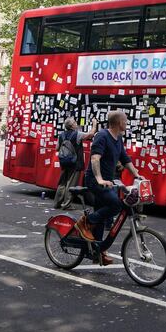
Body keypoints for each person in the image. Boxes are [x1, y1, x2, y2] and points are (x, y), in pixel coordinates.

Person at [74, 111, 142, 265]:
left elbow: (124, 158)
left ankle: (98, 250)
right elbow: (95, 158)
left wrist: (137, 175)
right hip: (94, 180)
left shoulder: (118, 138)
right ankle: (86, 222)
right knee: (116, 204)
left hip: (108, 181)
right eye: (125, 120)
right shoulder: (102, 136)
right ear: (119, 123)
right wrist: (99, 178)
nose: (127, 123)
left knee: (103, 214)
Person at [53, 117, 97, 210]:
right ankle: (66, 205)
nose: (76, 123)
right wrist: (94, 124)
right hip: (75, 163)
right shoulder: (77, 134)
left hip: (64, 162)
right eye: (74, 122)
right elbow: (91, 134)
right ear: (72, 126)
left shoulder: (61, 135)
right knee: (71, 184)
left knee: (62, 183)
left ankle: (57, 203)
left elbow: (57, 148)